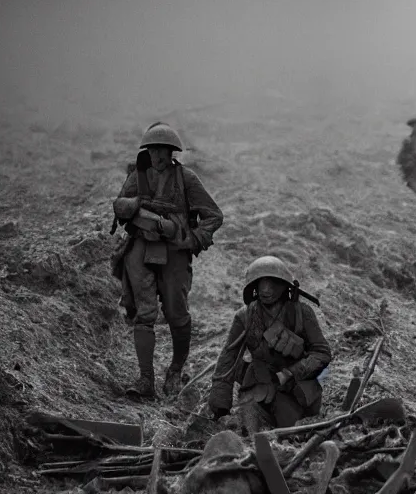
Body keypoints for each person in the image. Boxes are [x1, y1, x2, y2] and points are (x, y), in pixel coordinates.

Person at [112, 122, 223, 399]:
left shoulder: (186, 178)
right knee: (144, 312)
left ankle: (175, 369)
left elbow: (213, 215)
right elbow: (120, 207)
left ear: (172, 152)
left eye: (163, 150)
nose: (158, 156)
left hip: (174, 251)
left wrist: (193, 239)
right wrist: (135, 207)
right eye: (153, 150)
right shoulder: (138, 177)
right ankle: (145, 379)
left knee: (176, 311)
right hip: (141, 246)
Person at [208, 256, 332, 432]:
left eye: (273, 283)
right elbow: (227, 360)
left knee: (292, 433)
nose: (266, 290)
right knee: (250, 435)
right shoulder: (244, 316)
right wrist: (219, 406)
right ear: (254, 286)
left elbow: (322, 353)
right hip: (256, 387)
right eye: (261, 283)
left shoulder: (302, 313)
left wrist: (291, 372)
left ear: (284, 286)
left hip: (292, 388)